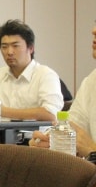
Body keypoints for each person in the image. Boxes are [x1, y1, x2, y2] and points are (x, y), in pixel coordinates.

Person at [0, 19, 63, 121]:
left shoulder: (46, 75)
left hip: (33, 131)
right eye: (4, 47)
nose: (9, 52)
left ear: (31, 48)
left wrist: (0, 110)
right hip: (0, 131)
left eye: (15, 46)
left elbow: (50, 114)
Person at [30, 24, 96, 157]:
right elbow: (72, 128)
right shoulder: (91, 81)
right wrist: (49, 141)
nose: (94, 30)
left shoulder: (45, 74)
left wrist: (92, 150)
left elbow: (49, 113)